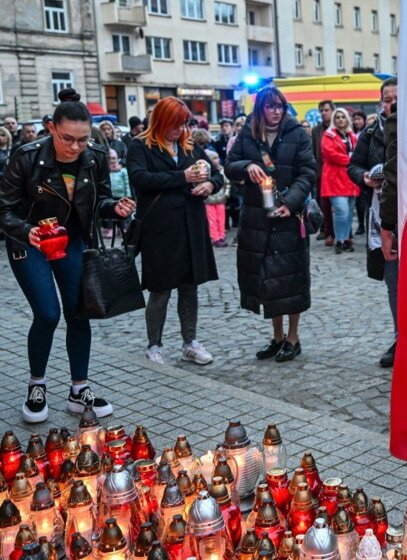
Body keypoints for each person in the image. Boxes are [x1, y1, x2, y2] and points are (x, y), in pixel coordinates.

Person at [0, 88, 136, 423]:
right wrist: (27, 231)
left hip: (71, 242)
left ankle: (78, 389)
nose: (76, 147)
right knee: (46, 313)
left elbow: (98, 201)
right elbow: (2, 212)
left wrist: (115, 207)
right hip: (31, 243)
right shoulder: (26, 157)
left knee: (79, 313)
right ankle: (37, 384)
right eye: (68, 138)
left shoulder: (96, 156)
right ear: (51, 128)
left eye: (83, 139)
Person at [127, 97, 220, 367]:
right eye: (175, 125)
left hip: (191, 225)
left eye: (183, 124)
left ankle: (189, 342)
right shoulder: (140, 146)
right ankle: (154, 345)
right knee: (161, 290)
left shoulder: (188, 145)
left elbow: (216, 174)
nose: (180, 130)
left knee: (189, 287)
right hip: (159, 229)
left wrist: (210, 186)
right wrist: (182, 178)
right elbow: (140, 179)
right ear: (161, 121)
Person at [226, 86, 316, 363]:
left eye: (280, 106)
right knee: (268, 279)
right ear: (261, 108)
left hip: (289, 218)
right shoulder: (249, 134)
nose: (276, 112)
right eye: (270, 106)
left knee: (291, 278)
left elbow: (308, 172)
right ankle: (277, 338)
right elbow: (230, 165)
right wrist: (246, 166)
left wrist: (290, 201)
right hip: (258, 218)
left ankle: (293, 337)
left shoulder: (297, 134)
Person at [348, 77, 398, 367]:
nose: (392, 104)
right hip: (381, 214)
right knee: (393, 281)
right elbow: (353, 165)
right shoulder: (370, 132)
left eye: (396, 98)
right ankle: (399, 337)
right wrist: (364, 177)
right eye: (388, 99)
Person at [321, 108, 359, 254]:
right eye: (337, 117)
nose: (340, 119)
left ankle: (345, 240)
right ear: (333, 120)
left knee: (349, 211)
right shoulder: (328, 135)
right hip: (335, 179)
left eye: (343, 117)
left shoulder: (352, 136)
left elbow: (358, 152)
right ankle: (340, 240)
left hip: (350, 178)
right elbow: (330, 154)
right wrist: (351, 160)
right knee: (341, 211)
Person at [195, 130, 230, 248]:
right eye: (213, 158)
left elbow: (227, 183)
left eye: (216, 158)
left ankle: (221, 236)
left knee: (221, 218)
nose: (216, 160)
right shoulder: (204, 171)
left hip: (221, 199)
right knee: (211, 220)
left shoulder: (221, 170)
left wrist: (227, 194)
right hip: (209, 200)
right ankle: (215, 237)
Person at [312, 100, 335, 245]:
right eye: (321, 111)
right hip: (322, 172)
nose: (323, 113)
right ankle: (327, 231)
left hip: (338, 173)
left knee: (340, 205)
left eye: (326, 110)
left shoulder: (338, 127)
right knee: (324, 204)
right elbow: (315, 152)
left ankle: (343, 234)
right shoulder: (316, 130)